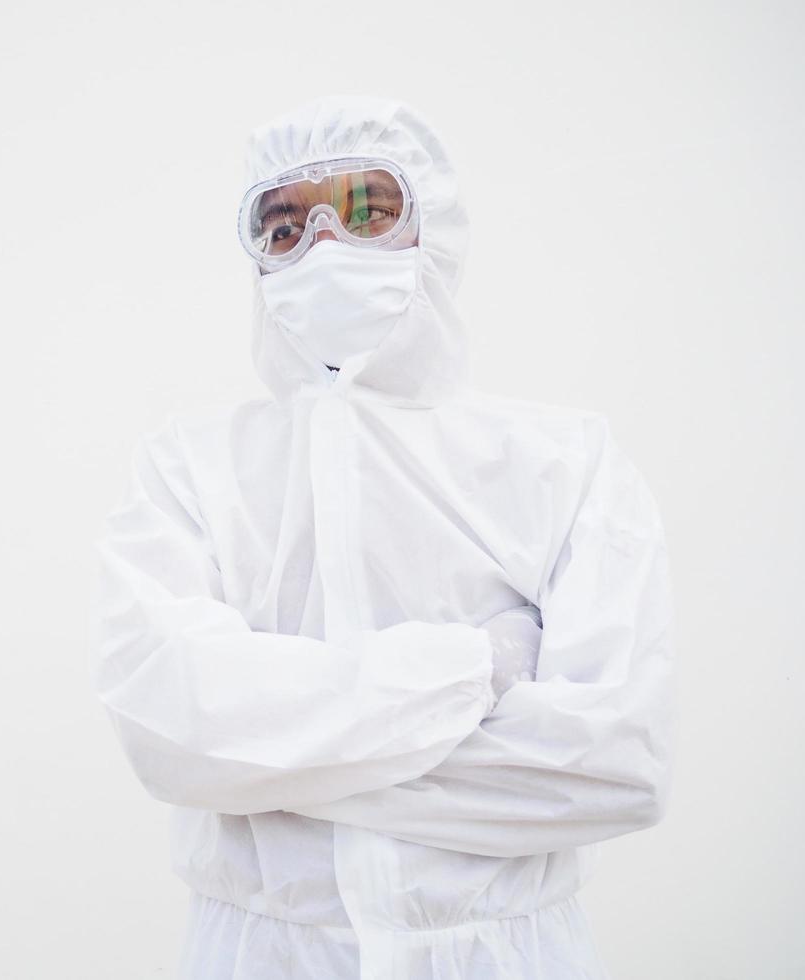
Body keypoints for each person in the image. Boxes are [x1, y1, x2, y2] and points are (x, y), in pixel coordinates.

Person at [88, 95, 676, 980]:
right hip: (257, 955)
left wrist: (277, 764)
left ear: (432, 230)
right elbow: (171, 736)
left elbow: (613, 766)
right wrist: (475, 670)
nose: (324, 246)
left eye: (369, 212)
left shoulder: (562, 461)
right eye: (283, 226)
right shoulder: (190, 468)